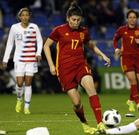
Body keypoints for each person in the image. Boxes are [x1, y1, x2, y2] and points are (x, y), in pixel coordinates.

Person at [43, 2, 110, 134]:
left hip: (80, 65)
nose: (76, 22)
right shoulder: (59, 30)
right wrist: (51, 65)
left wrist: (102, 55)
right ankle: (85, 124)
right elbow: (46, 46)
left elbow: (90, 44)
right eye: (73, 19)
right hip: (64, 69)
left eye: (78, 20)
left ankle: (100, 124)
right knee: (77, 103)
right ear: (68, 18)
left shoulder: (83, 31)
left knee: (92, 90)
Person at [2, 7, 43, 114]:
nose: (25, 17)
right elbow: (10, 43)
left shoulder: (34, 27)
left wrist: (38, 53)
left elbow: (39, 41)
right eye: (23, 15)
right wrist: (5, 59)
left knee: (28, 83)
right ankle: (19, 99)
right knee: (20, 83)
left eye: (27, 15)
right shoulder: (14, 28)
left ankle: (26, 107)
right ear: (19, 17)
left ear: (29, 16)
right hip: (19, 60)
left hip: (31, 60)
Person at [113, 9, 139, 112]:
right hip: (126, 57)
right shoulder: (122, 30)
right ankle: (138, 103)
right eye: (130, 17)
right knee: (133, 80)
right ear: (127, 19)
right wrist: (116, 48)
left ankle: (131, 100)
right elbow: (115, 39)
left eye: (134, 17)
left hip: (138, 58)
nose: (132, 19)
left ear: (137, 19)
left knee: (138, 82)